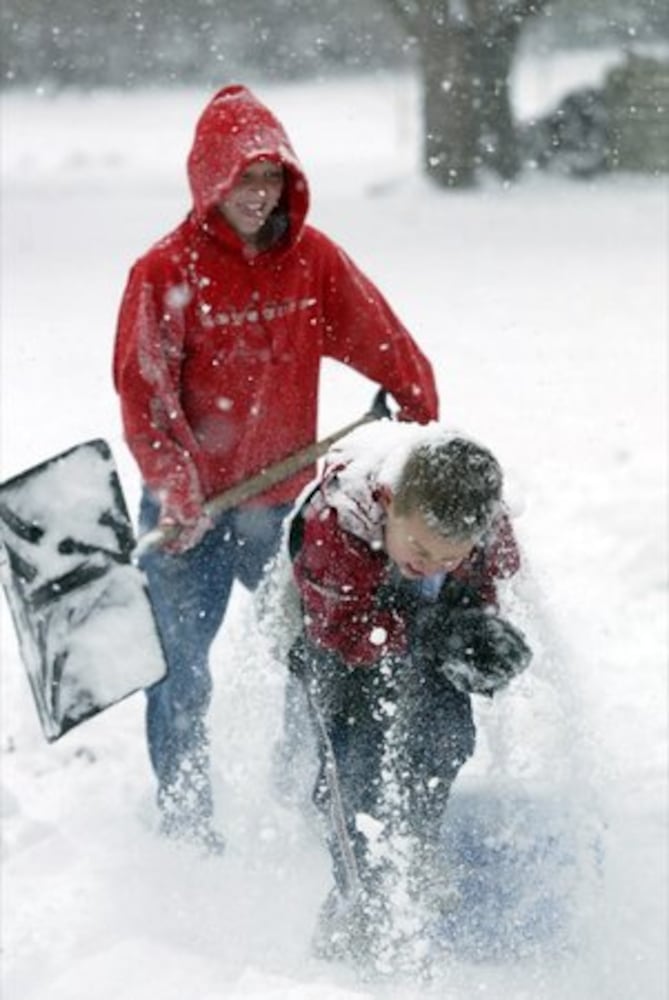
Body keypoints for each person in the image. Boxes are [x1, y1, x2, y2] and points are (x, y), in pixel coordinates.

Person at [112, 84, 439, 854]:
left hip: (286, 505)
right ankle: (186, 824)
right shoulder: (163, 271)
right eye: (242, 180)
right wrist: (179, 484)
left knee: (316, 655)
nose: (257, 197)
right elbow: (144, 393)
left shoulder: (311, 260)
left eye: (269, 180)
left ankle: (302, 799)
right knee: (179, 674)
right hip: (188, 509)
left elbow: (381, 337)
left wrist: (419, 408)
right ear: (208, 180)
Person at [282, 422, 532, 969]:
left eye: (449, 557)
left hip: (417, 618)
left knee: (445, 738)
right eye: (418, 547)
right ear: (390, 503)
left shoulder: (487, 529)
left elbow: (485, 590)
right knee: (352, 768)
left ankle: (415, 841)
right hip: (332, 628)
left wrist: (479, 635)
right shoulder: (338, 524)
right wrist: (436, 631)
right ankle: (354, 913)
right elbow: (345, 631)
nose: (430, 562)